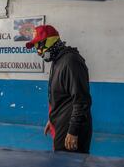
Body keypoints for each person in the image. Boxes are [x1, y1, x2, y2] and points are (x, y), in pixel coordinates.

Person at [26, 25, 92, 154]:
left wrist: (73, 131)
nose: (38, 52)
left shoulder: (71, 62)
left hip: (70, 129)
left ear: (50, 41)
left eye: (39, 46)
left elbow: (82, 100)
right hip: (61, 123)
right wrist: (52, 119)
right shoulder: (58, 61)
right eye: (36, 48)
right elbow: (62, 98)